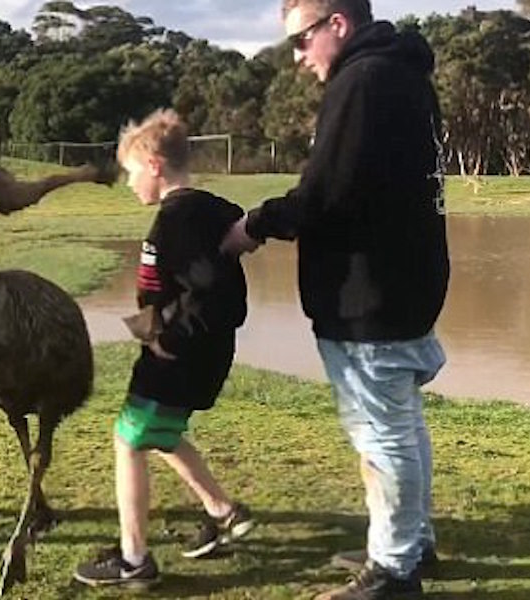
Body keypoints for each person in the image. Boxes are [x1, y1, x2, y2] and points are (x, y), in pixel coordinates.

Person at [220, 1, 450, 598]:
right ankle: (410, 543)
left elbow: (325, 192)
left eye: (300, 41)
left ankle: (395, 570)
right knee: (400, 423)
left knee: (383, 431)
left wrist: (256, 225)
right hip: (401, 280)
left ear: (337, 25)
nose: (297, 59)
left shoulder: (364, 80)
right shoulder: (399, 73)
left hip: (371, 290)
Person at [73, 108, 255, 588]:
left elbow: (210, 291)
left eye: (132, 173)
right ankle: (225, 511)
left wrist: (166, 337)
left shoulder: (174, 222)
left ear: (153, 164)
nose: (131, 184)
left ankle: (134, 559)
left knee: (127, 439)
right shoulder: (205, 211)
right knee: (161, 430)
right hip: (199, 353)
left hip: (179, 355)